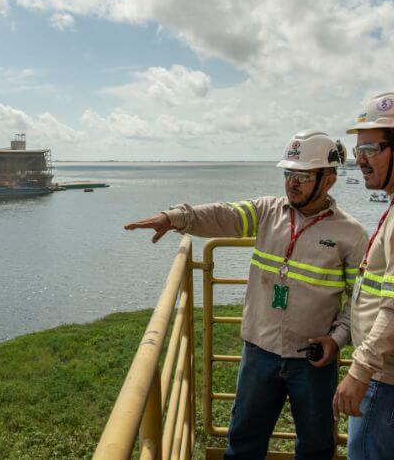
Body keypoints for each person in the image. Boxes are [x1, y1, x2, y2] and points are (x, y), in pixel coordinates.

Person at [125, 130, 368, 460]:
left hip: (313, 359)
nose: (292, 183)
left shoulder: (351, 235)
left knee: (316, 447)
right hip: (260, 352)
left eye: (303, 176)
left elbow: (359, 299)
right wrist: (174, 217)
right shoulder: (268, 211)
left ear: (328, 180)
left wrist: (337, 339)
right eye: (288, 174)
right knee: (243, 443)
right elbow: (224, 215)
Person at [334, 92, 394, 460]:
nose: (360, 161)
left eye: (370, 149)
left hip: (383, 378)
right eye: (358, 151)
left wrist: (360, 370)